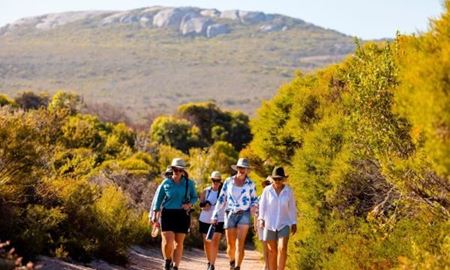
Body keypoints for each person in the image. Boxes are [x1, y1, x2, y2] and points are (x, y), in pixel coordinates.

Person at [211, 158, 258, 270]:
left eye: (244, 168)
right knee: (231, 245)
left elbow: (254, 199)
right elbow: (221, 199)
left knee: (240, 243)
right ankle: (232, 262)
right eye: (240, 167)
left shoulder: (251, 184)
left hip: (244, 213)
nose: (242, 170)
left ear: (247, 170)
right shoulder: (228, 181)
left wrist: (254, 208)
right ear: (237, 168)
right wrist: (215, 214)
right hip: (230, 213)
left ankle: (237, 267)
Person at [152, 158, 198, 270]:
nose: (176, 171)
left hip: (182, 214)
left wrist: (189, 205)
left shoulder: (189, 183)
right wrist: (155, 214)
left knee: (179, 243)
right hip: (168, 214)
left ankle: (175, 267)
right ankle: (167, 260)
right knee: (168, 242)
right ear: (172, 169)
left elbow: (195, 197)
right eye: (174, 169)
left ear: (183, 171)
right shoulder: (166, 183)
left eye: (179, 169)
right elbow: (158, 199)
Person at [258, 166, 297, 270]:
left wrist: (294, 222)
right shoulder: (267, 190)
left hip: (284, 223)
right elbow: (262, 205)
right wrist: (261, 219)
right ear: (272, 179)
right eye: (275, 179)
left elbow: (292, 207)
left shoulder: (289, 191)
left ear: (283, 179)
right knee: (272, 251)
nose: (278, 181)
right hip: (269, 224)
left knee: (282, 248)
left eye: (280, 179)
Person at [198, 171, 225, 270]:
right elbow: (200, 204)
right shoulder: (206, 191)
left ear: (220, 181)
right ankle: (209, 262)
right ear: (211, 180)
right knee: (207, 242)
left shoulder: (223, 193)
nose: (216, 182)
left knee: (215, 241)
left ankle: (212, 265)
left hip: (219, 220)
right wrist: (205, 205)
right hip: (205, 220)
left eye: (218, 180)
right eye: (214, 180)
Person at [253, 177, 272, 270]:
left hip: (272, 224)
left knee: (271, 246)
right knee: (265, 246)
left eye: (269, 184)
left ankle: (271, 265)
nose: (267, 186)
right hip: (261, 225)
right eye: (266, 184)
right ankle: (266, 265)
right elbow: (256, 213)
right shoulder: (259, 198)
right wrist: (255, 225)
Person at [149, 167, 173, 238]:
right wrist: (152, 215)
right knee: (166, 237)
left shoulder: (180, 186)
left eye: (171, 174)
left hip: (175, 214)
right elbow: (155, 201)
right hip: (163, 214)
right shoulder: (162, 185)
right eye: (168, 174)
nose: (170, 176)